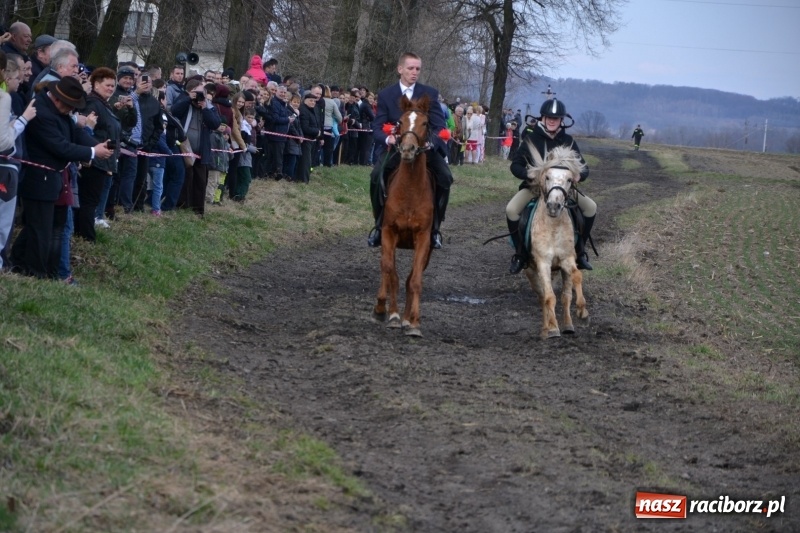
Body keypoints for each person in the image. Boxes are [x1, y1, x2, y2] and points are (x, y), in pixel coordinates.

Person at [10, 76, 111, 278]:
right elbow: (59, 146)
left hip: (52, 177)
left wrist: (95, 145)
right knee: (41, 229)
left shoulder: (57, 110)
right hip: (38, 178)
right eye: (69, 106)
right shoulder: (41, 112)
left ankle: (18, 262)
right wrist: (91, 152)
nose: (71, 110)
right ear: (58, 99)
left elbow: (74, 133)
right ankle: (35, 272)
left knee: (39, 227)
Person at [368, 52, 452, 249]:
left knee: (446, 178)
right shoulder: (387, 94)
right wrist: (388, 137)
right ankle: (379, 226)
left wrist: (431, 143)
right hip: (396, 150)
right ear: (400, 69)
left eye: (417, 69)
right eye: (410, 68)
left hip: (424, 150)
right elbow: (377, 126)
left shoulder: (429, 93)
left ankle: (435, 229)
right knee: (375, 177)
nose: (414, 72)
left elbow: (439, 126)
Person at [506, 98, 596, 273]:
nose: (552, 121)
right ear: (543, 119)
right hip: (534, 189)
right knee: (511, 210)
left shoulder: (568, 141)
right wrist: (528, 174)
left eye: (556, 118)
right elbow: (515, 165)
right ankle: (520, 254)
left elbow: (584, 168)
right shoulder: (531, 139)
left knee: (591, 207)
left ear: (561, 121)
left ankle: (580, 251)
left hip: (564, 191)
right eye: (549, 117)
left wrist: (579, 175)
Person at [78, 67, 136, 241]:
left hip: (105, 159)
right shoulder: (93, 103)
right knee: (88, 201)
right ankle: (86, 236)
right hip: (95, 159)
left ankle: (86, 233)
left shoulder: (105, 104)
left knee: (93, 200)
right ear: (96, 84)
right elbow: (87, 130)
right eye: (107, 85)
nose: (111, 89)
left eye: (113, 86)